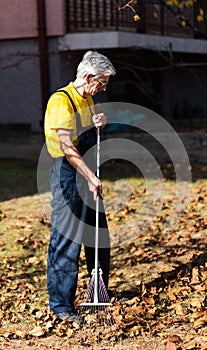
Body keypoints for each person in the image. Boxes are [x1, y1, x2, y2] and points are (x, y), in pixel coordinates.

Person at [44, 51, 116, 322]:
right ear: (88, 77)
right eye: (102, 82)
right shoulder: (60, 102)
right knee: (68, 237)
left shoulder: (88, 100)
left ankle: (99, 291)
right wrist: (90, 176)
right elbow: (66, 147)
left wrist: (99, 123)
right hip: (67, 173)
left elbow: (86, 133)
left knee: (98, 234)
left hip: (86, 172)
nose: (103, 88)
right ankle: (61, 305)